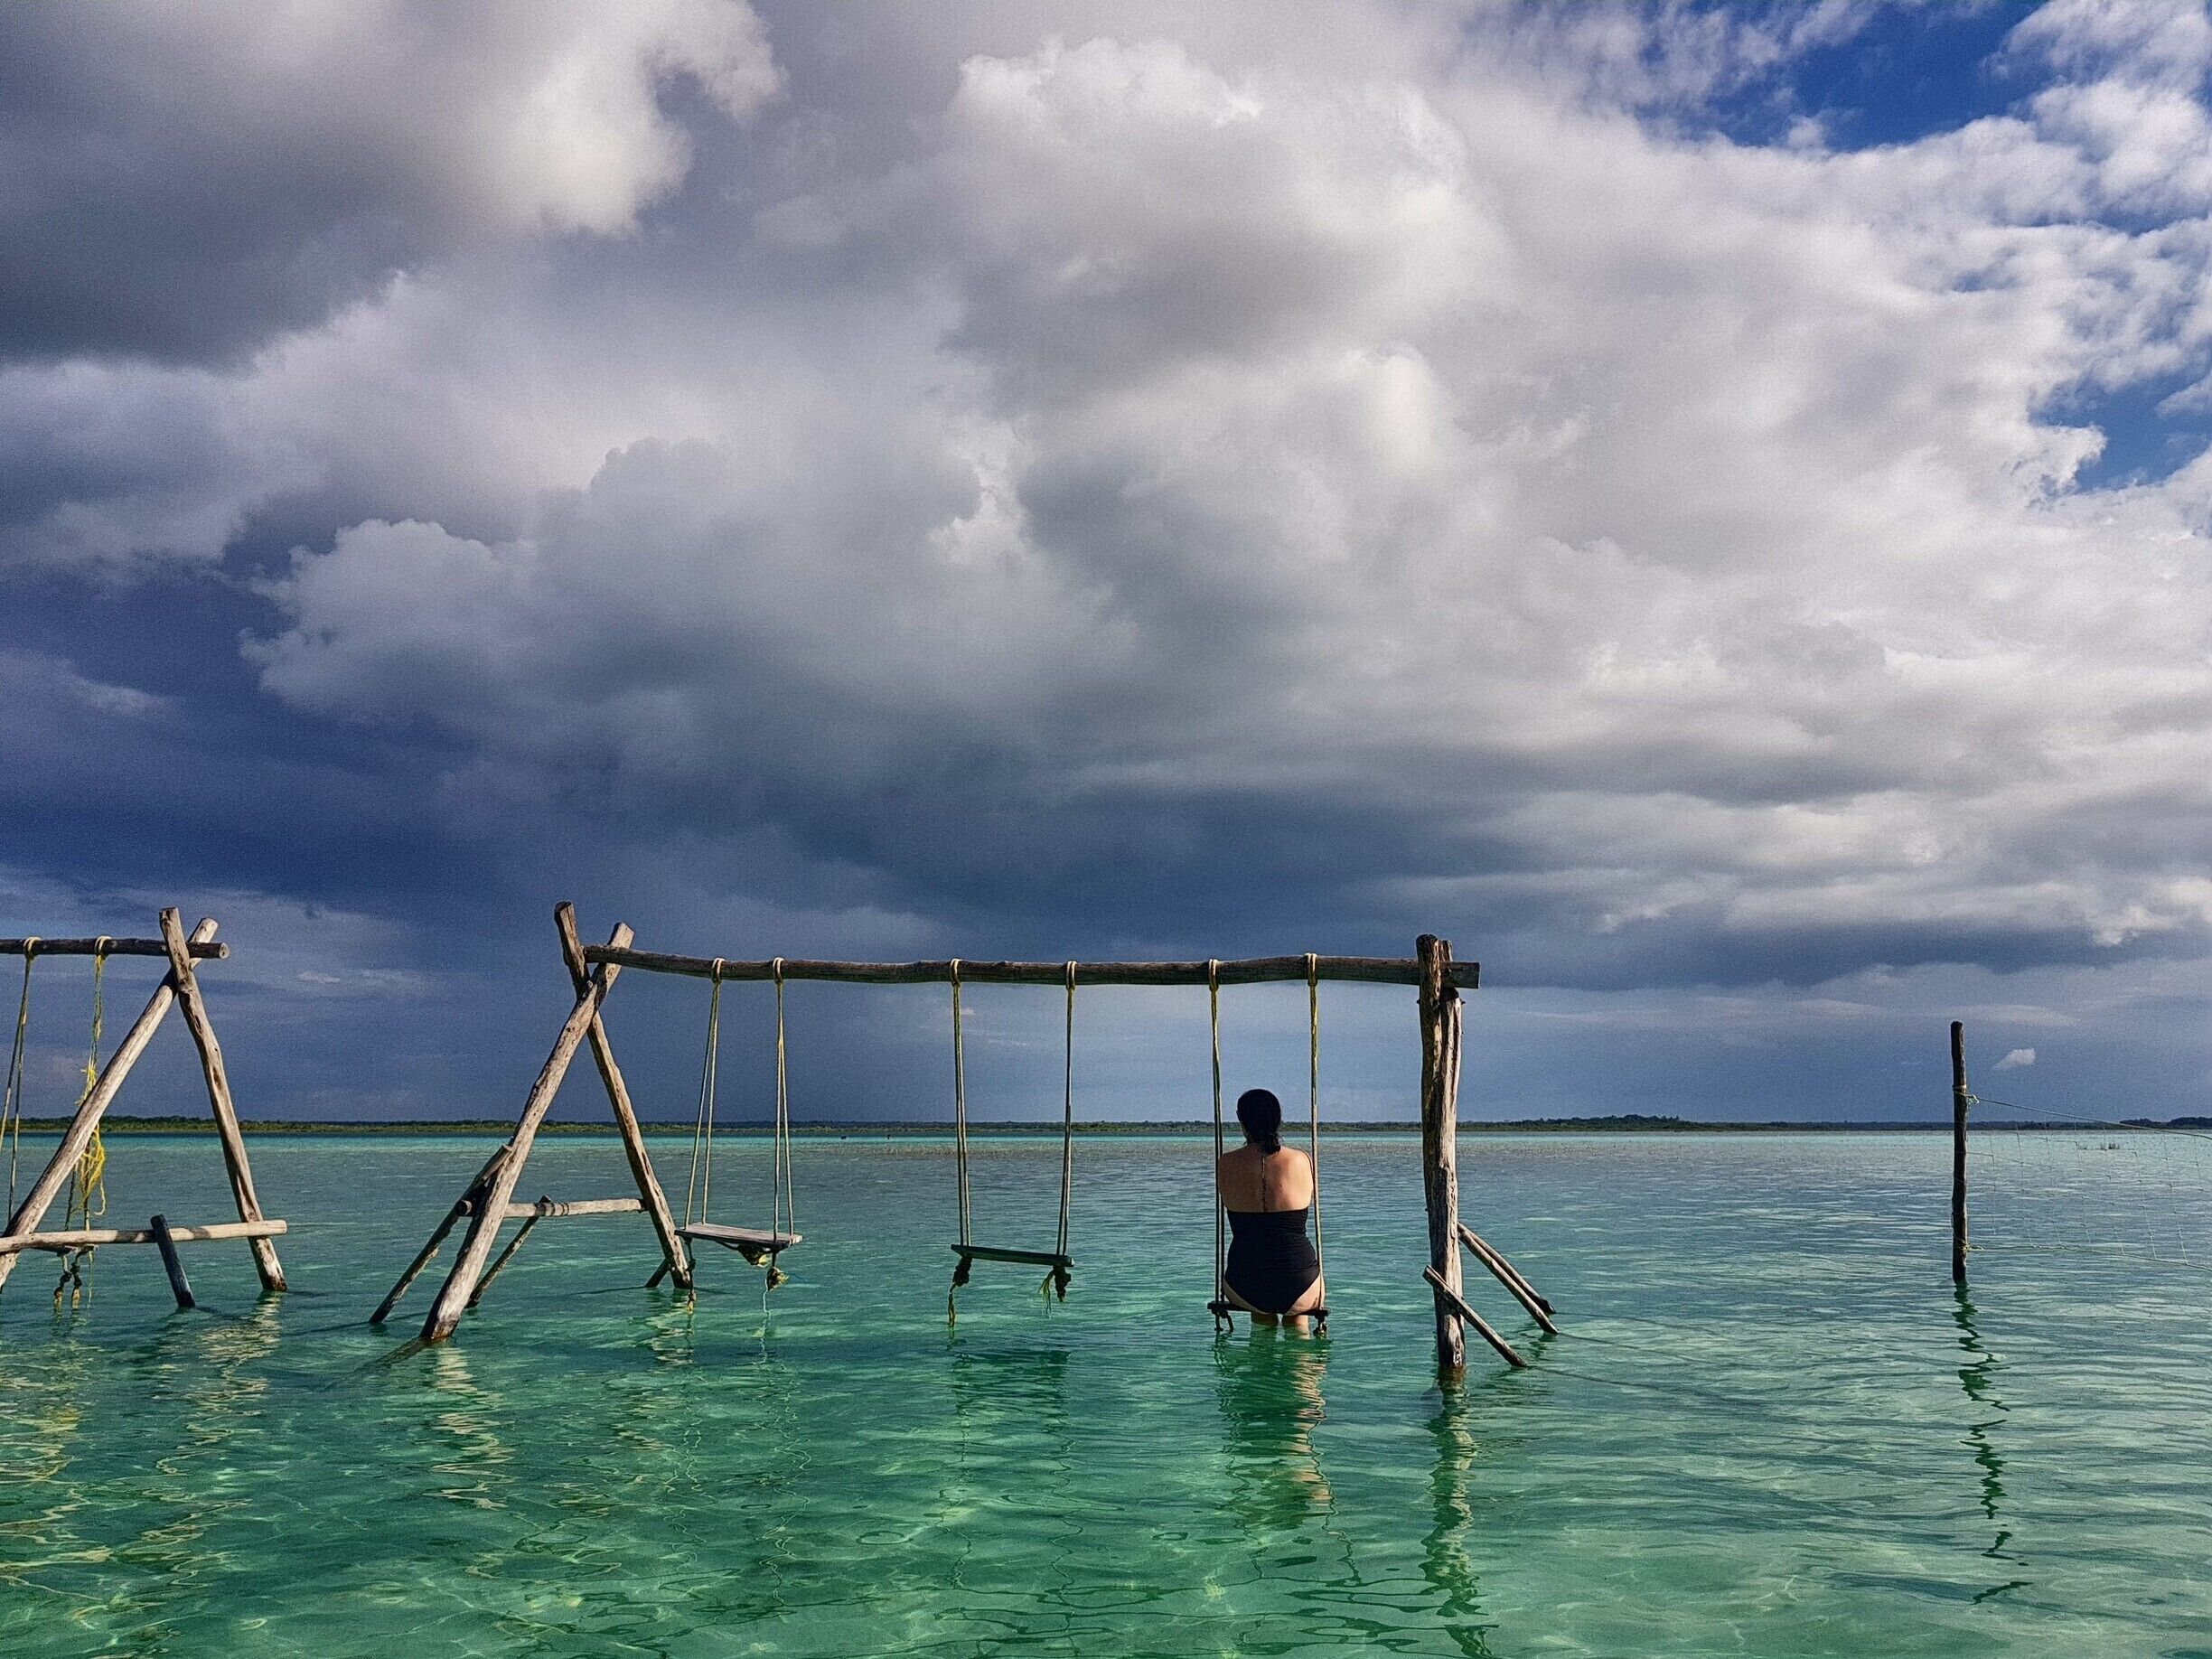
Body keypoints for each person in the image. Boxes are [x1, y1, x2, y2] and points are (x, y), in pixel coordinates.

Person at [1215, 1087, 1325, 1333]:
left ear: (1242, 1122)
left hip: (1244, 1283)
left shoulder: (1227, 1163)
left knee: (1262, 1323)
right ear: (1278, 1120)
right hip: (1300, 1281)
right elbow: (1308, 1196)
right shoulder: (1301, 1160)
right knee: (1298, 1321)